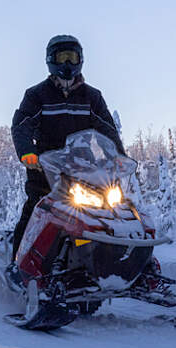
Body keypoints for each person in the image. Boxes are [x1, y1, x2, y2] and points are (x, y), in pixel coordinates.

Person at [9, 35, 125, 266]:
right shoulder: (37, 95)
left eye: (72, 58)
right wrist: (27, 153)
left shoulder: (92, 96)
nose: (68, 64)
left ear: (80, 60)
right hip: (45, 168)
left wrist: (118, 156)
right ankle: (17, 263)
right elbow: (22, 126)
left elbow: (107, 129)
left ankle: (116, 263)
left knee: (111, 210)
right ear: (52, 60)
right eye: (63, 57)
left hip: (84, 169)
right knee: (35, 209)